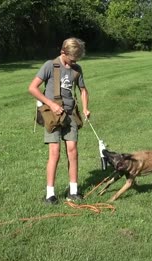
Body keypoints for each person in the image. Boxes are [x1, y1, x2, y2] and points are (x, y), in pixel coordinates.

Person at [28, 37, 90, 204]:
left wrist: (85, 108)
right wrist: (51, 104)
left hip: (70, 115)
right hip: (52, 115)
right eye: (71, 59)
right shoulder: (50, 65)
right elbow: (32, 88)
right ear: (63, 52)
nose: (73, 63)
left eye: (76, 60)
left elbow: (83, 90)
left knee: (73, 151)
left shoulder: (77, 69)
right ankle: (50, 194)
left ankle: (74, 191)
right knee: (55, 153)